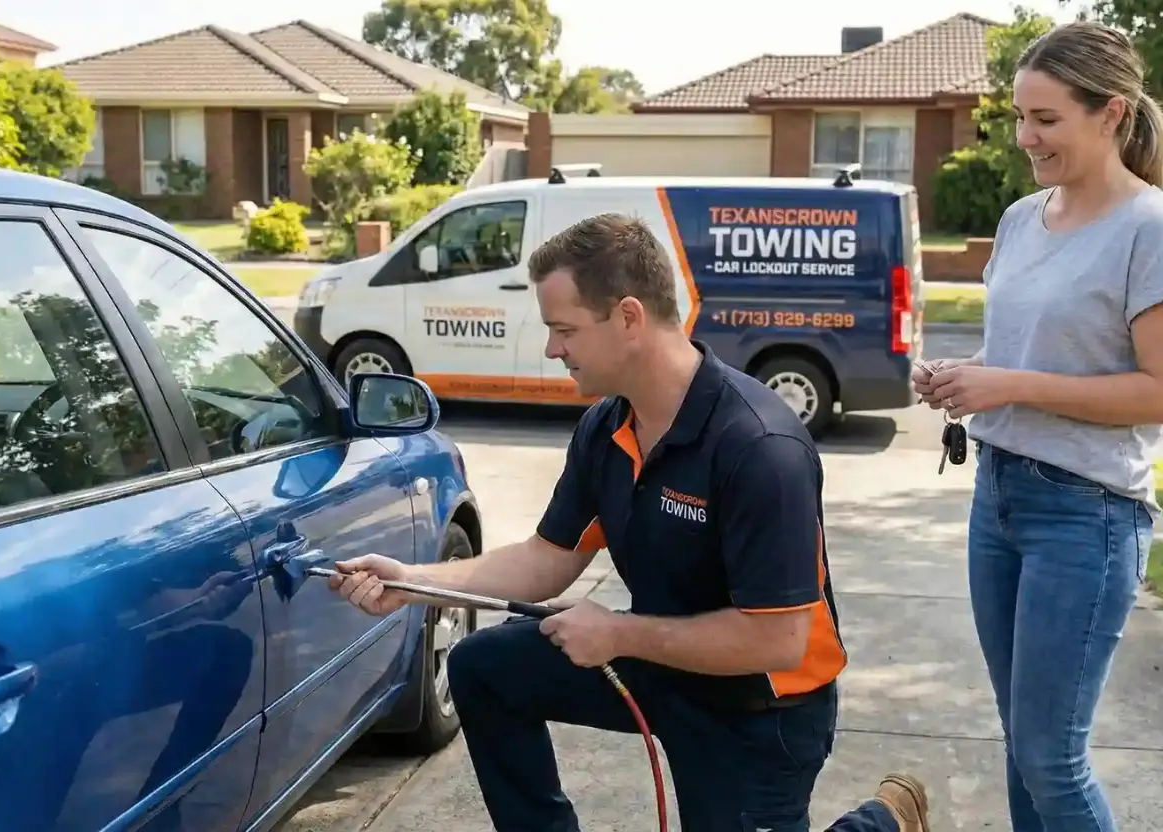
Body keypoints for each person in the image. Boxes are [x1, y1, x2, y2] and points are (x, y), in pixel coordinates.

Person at [329, 212, 929, 831]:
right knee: (483, 668)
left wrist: (618, 634)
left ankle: (884, 822)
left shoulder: (760, 446)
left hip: (759, 705)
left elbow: (776, 640)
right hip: (661, 663)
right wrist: (413, 581)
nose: (551, 348)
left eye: (564, 329)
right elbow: (548, 558)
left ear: (629, 318)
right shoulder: (609, 426)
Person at [914, 20, 1163, 832]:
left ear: (1111, 113)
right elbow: (1034, 346)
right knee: (1023, 744)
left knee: (1052, 757)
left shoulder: (1149, 229)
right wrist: (964, 378)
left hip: (1086, 515)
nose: (1026, 137)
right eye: (1019, 117)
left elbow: (1157, 391)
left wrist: (1007, 384)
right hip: (1000, 497)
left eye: (1046, 119)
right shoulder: (1023, 217)